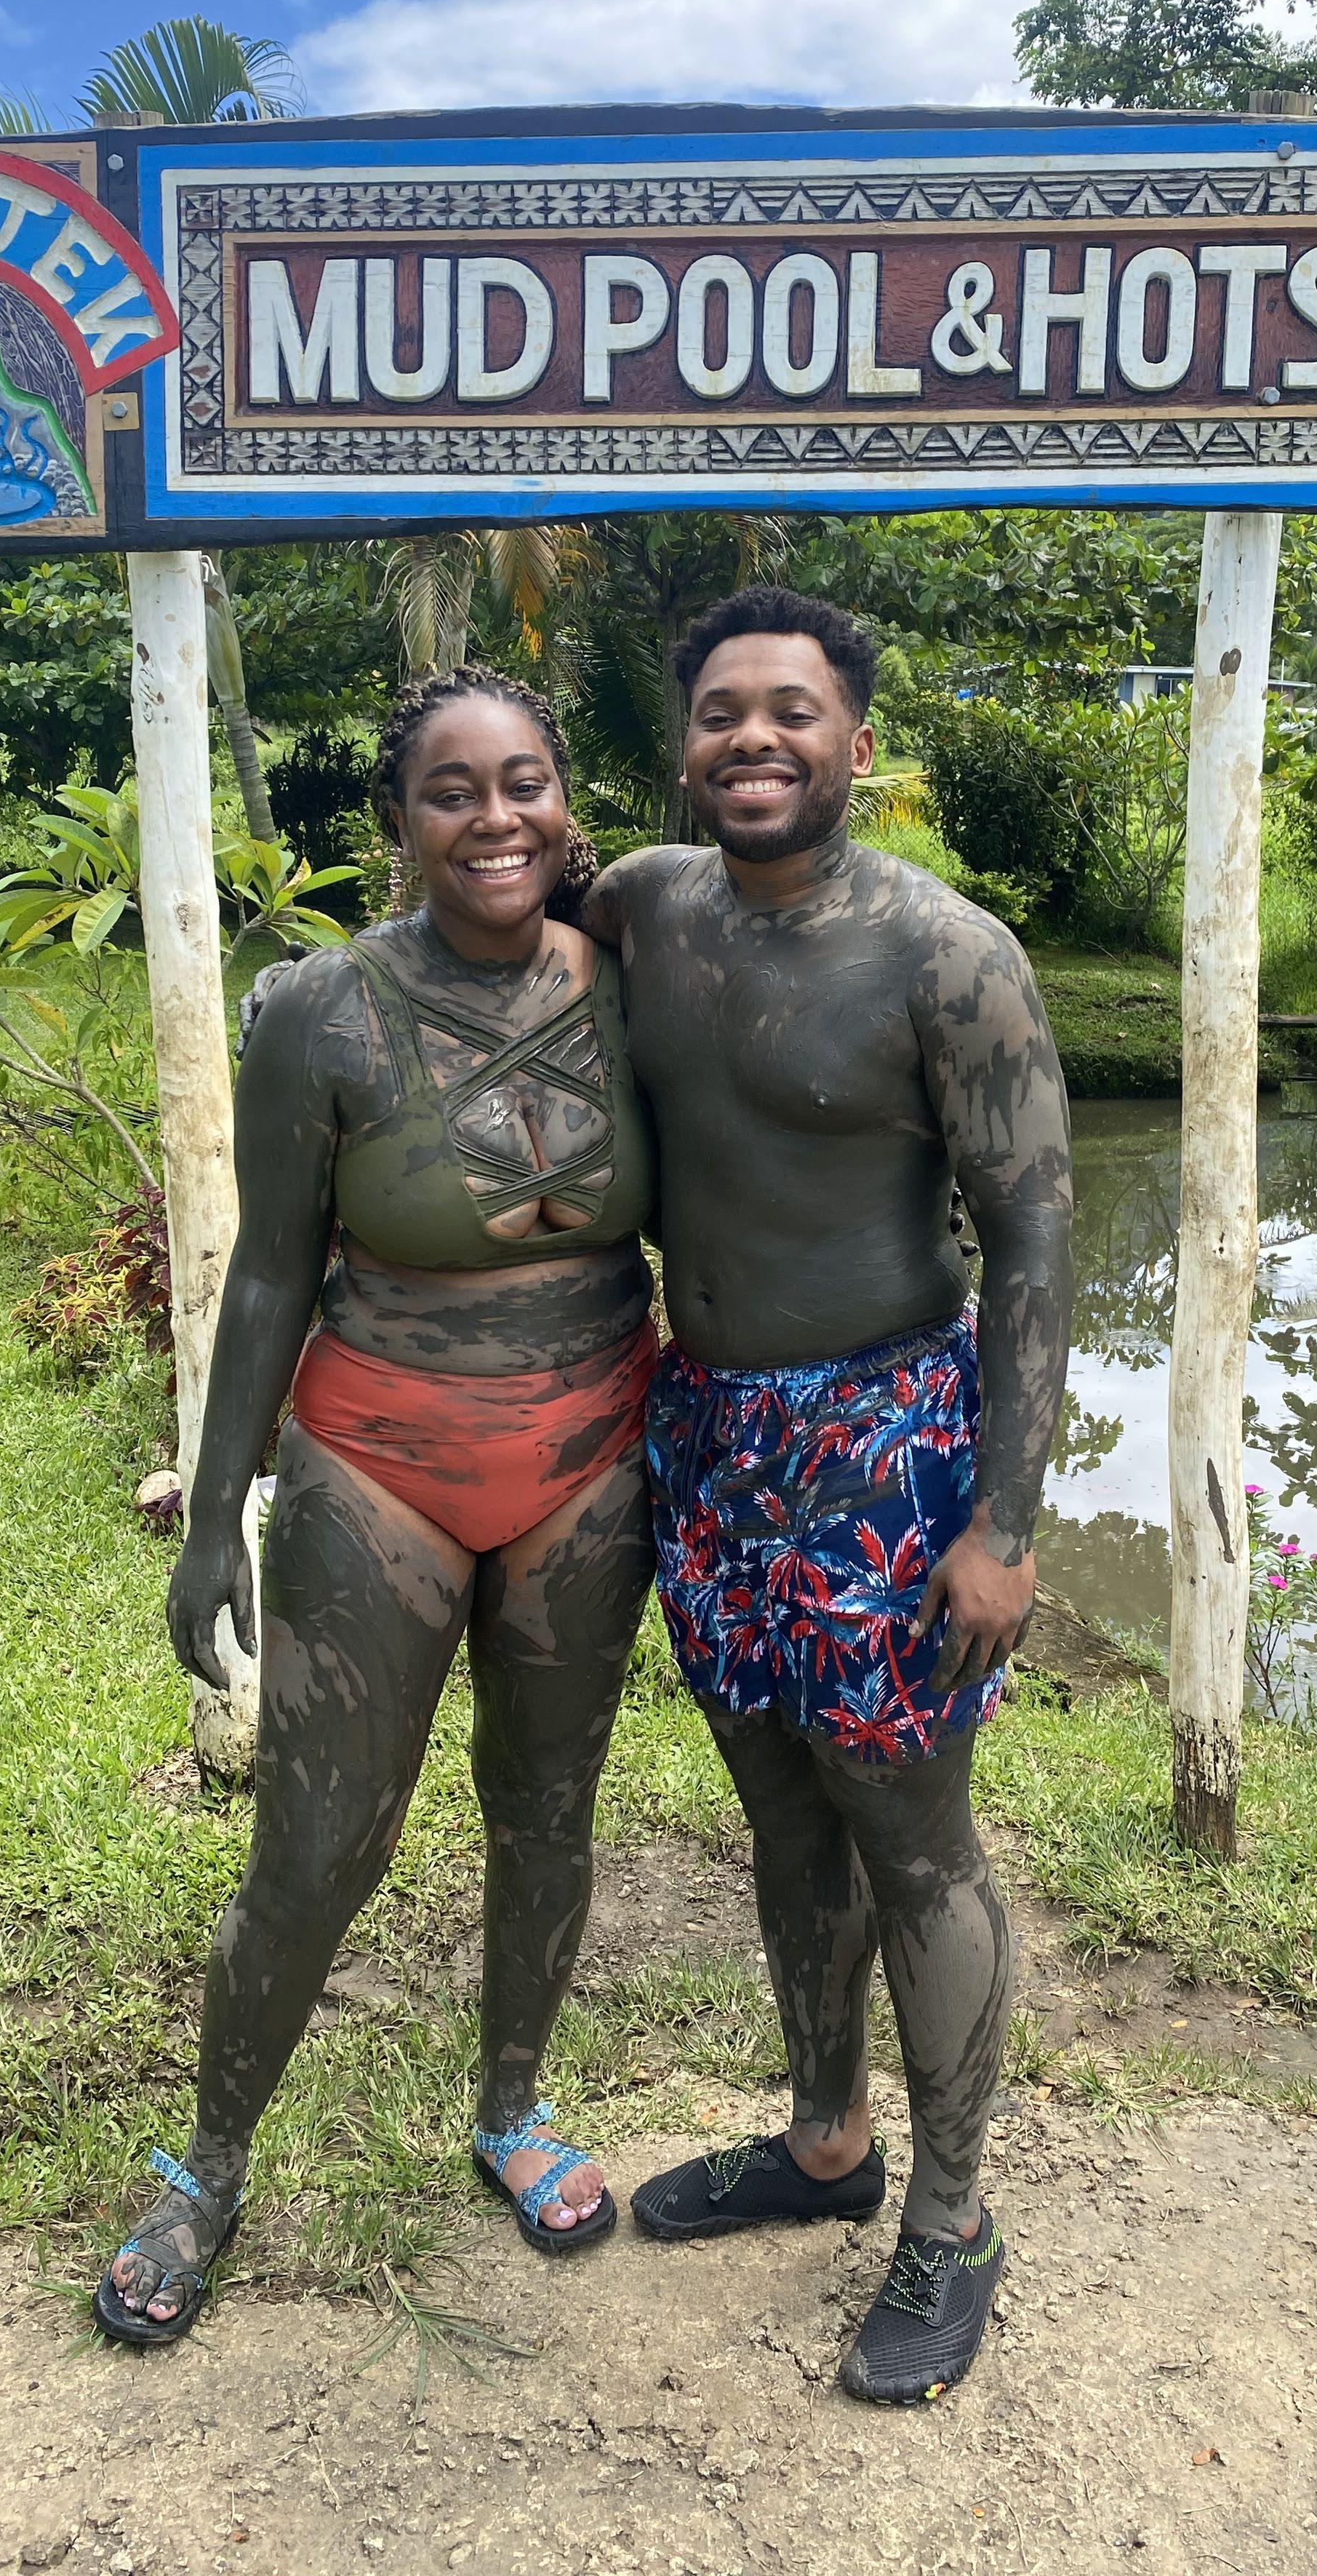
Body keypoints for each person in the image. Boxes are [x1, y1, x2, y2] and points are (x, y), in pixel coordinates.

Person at [95, 666, 660, 2344]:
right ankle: (203, 2165)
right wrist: (214, 1514)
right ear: (398, 821)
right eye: (453, 791)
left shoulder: (642, 982)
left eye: (527, 783)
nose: (497, 819)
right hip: (378, 1465)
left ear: (568, 803)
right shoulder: (320, 1013)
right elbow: (270, 1272)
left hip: (592, 1461)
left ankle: (509, 2110)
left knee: (547, 1811)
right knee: (321, 1843)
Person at [580, 584, 1074, 2406]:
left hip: (887, 1442)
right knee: (782, 1815)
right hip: (705, 1434)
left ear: (859, 742)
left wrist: (1003, 1521)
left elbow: (1031, 1232)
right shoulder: (639, 902)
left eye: (793, 712)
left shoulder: (950, 956)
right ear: (686, 745)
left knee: (909, 1828)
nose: (755, 741)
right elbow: (487, 928)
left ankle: (950, 2225)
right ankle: (822, 2145)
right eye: (723, 714)